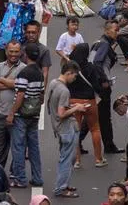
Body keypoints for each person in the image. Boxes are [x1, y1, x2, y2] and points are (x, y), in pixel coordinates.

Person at [8, 43, 45, 189]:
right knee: (34, 148)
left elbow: (20, 95)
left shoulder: (24, 73)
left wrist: (12, 113)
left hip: (21, 115)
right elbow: (41, 96)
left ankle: (20, 178)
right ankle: (37, 177)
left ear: (25, 55)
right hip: (34, 115)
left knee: (18, 147)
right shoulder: (40, 73)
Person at [46, 61, 82, 199]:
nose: (75, 78)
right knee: (67, 159)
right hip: (66, 128)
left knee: (67, 157)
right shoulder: (64, 90)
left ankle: (64, 184)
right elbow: (61, 114)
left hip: (59, 128)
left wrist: (71, 106)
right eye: (74, 75)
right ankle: (60, 188)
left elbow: (55, 105)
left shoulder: (53, 83)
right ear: (68, 73)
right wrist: (77, 108)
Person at [68, 43, 106, 169]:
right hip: (89, 101)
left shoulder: (70, 67)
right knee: (95, 129)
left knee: (75, 131)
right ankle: (98, 159)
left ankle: (77, 160)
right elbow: (97, 85)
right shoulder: (91, 67)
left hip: (74, 102)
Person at [0, 40, 23, 169]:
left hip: (17, 115)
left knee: (17, 147)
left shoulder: (24, 68)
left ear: (20, 52)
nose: (13, 54)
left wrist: (1, 79)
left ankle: (15, 173)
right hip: (0, 113)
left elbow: (19, 86)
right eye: (11, 51)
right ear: (6, 51)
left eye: (16, 52)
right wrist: (11, 84)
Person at [92, 20, 122, 154]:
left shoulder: (98, 43)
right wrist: (104, 80)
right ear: (107, 31)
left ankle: (79, 142)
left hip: (95, 84)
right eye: (115, 30)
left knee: (94, 114)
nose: (117, 33)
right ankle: (109, 146)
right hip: (102, 86)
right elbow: (97, 63)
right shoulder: (104, 45)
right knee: (104, 117)